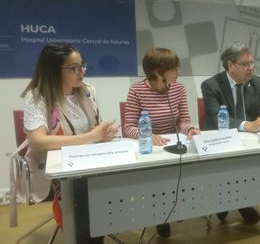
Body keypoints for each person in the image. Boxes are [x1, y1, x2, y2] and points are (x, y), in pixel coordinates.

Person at [20, 43, 117, 244]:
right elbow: (38, 141)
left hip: (89, 161)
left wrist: (103, 133)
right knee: (86, 193)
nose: (82, 72)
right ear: (54, 70)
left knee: (119, 178)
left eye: (82, 65)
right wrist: (91, 137)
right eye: (74, 68)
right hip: (54, 168)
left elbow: (94, 130)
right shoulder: (38, 96)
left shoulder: (88, 91)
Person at [124, 47, 200, 237]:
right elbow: (128, 127)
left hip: (175, 145)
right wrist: (147, 135)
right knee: (158, 181)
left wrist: (190, 130)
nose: (179, 72)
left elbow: (183, 120)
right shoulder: (136, 90)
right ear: (158, 72)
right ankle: (160, 216)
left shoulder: (179, 88)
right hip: (151, 149)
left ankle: (179, 207)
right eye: (174, 69)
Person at [201, 42, 260, 223]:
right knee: (233, 164)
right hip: (220, 141)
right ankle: (232, 203)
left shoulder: (256, 82)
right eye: (245, 64)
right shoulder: (211, 85)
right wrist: (246, 125)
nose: (251, 68)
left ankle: (240, 201)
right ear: (231, 66)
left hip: (248, 142)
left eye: (252, 63)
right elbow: (217, 117)